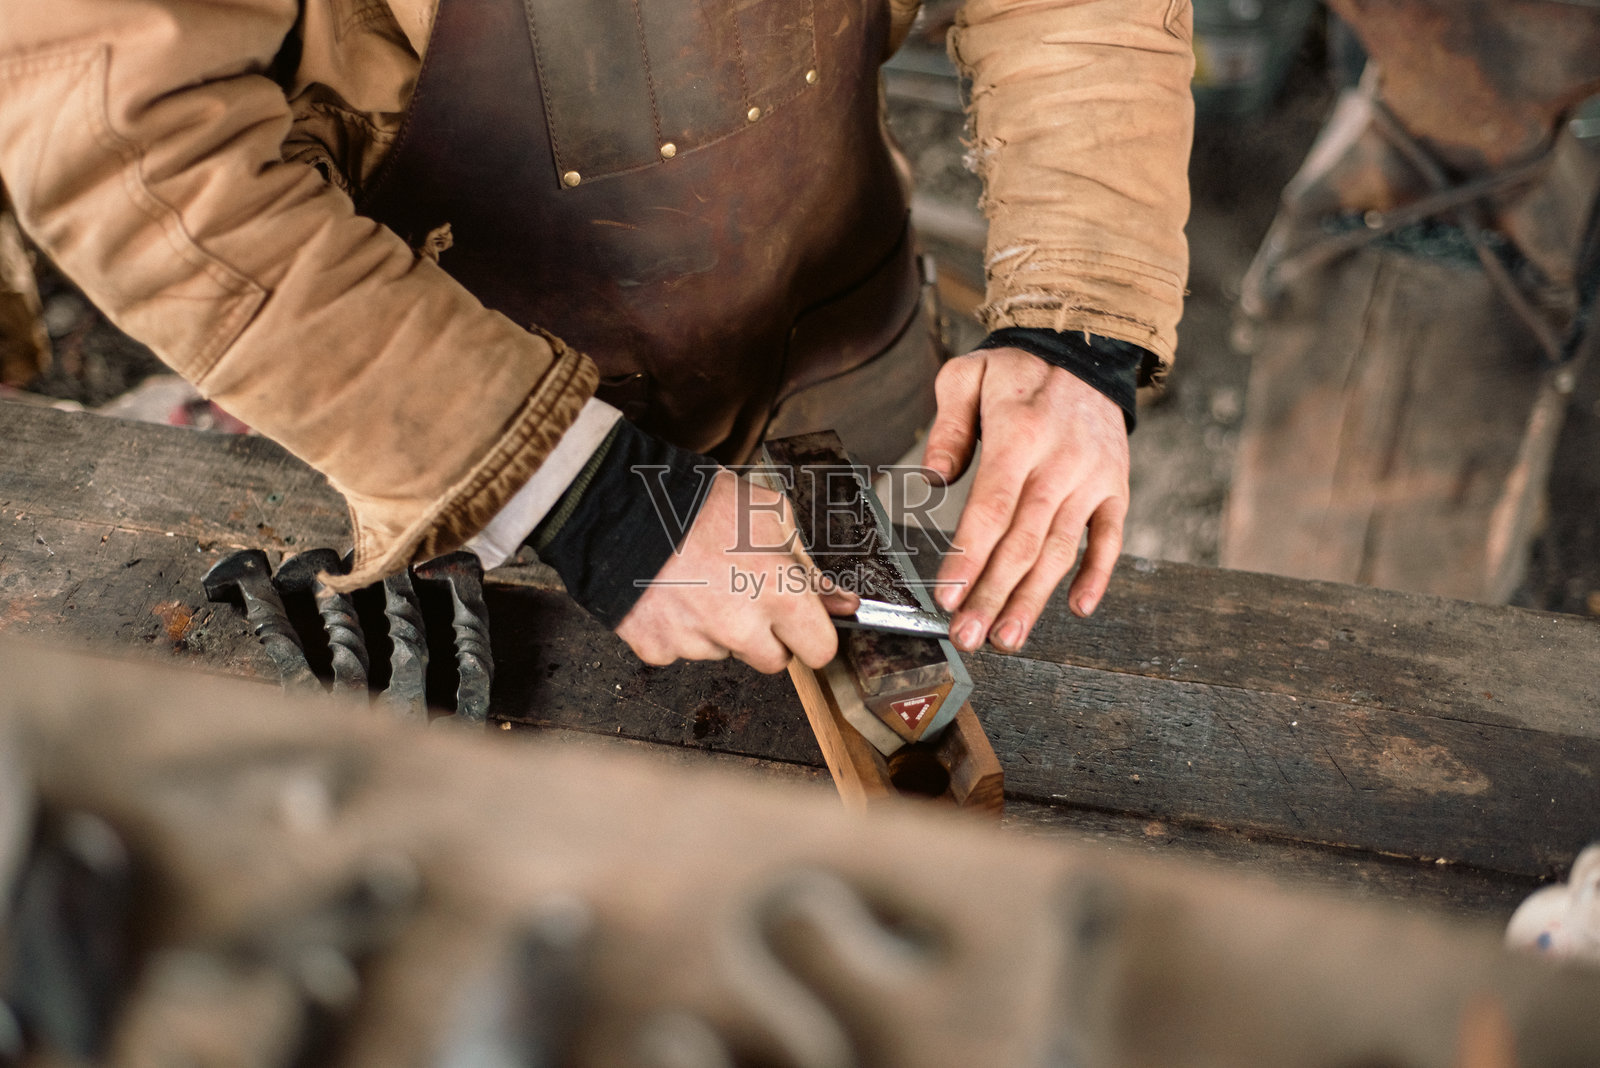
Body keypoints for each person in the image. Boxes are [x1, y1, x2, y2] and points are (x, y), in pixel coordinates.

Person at [0, 0, 1193, 673]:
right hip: (450, 423)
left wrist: (1078, 315)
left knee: (905, 693)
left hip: (840, 349)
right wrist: (579, 495)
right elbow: (127, 138)